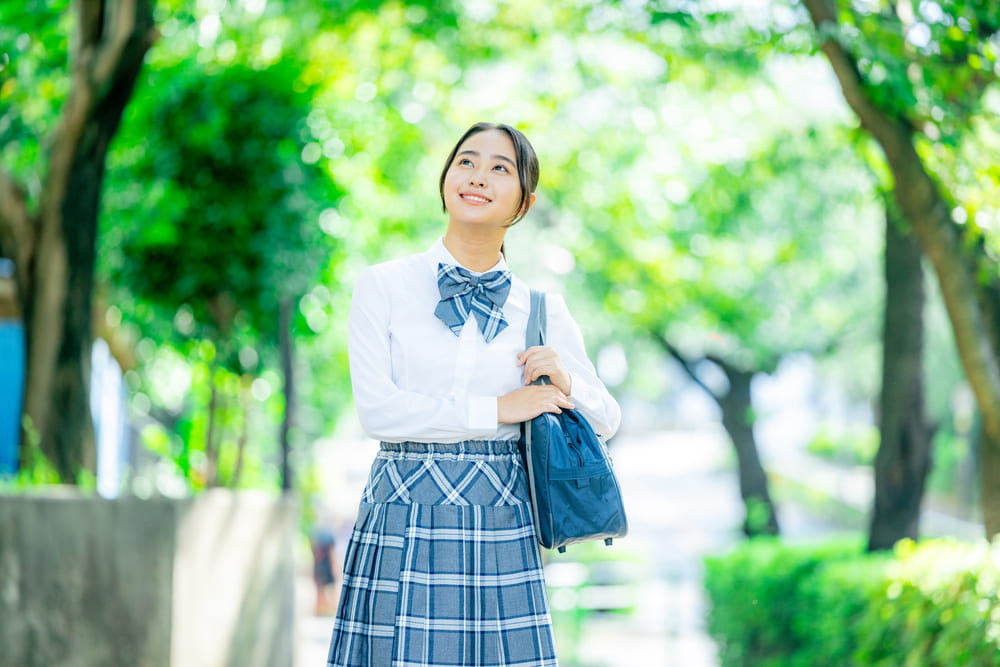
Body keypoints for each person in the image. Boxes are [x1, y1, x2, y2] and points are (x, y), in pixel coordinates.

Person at [326, 122, 621, 667]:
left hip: (502, 518)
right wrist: (499, 409)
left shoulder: (541, 309)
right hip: (402, 509)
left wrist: (565, 380)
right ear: (445, 179)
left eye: (500, 168)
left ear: (524, 203)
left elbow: (606, 418)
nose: (478, 176)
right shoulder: (384, 285)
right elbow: (378, 412)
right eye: (466, 161)